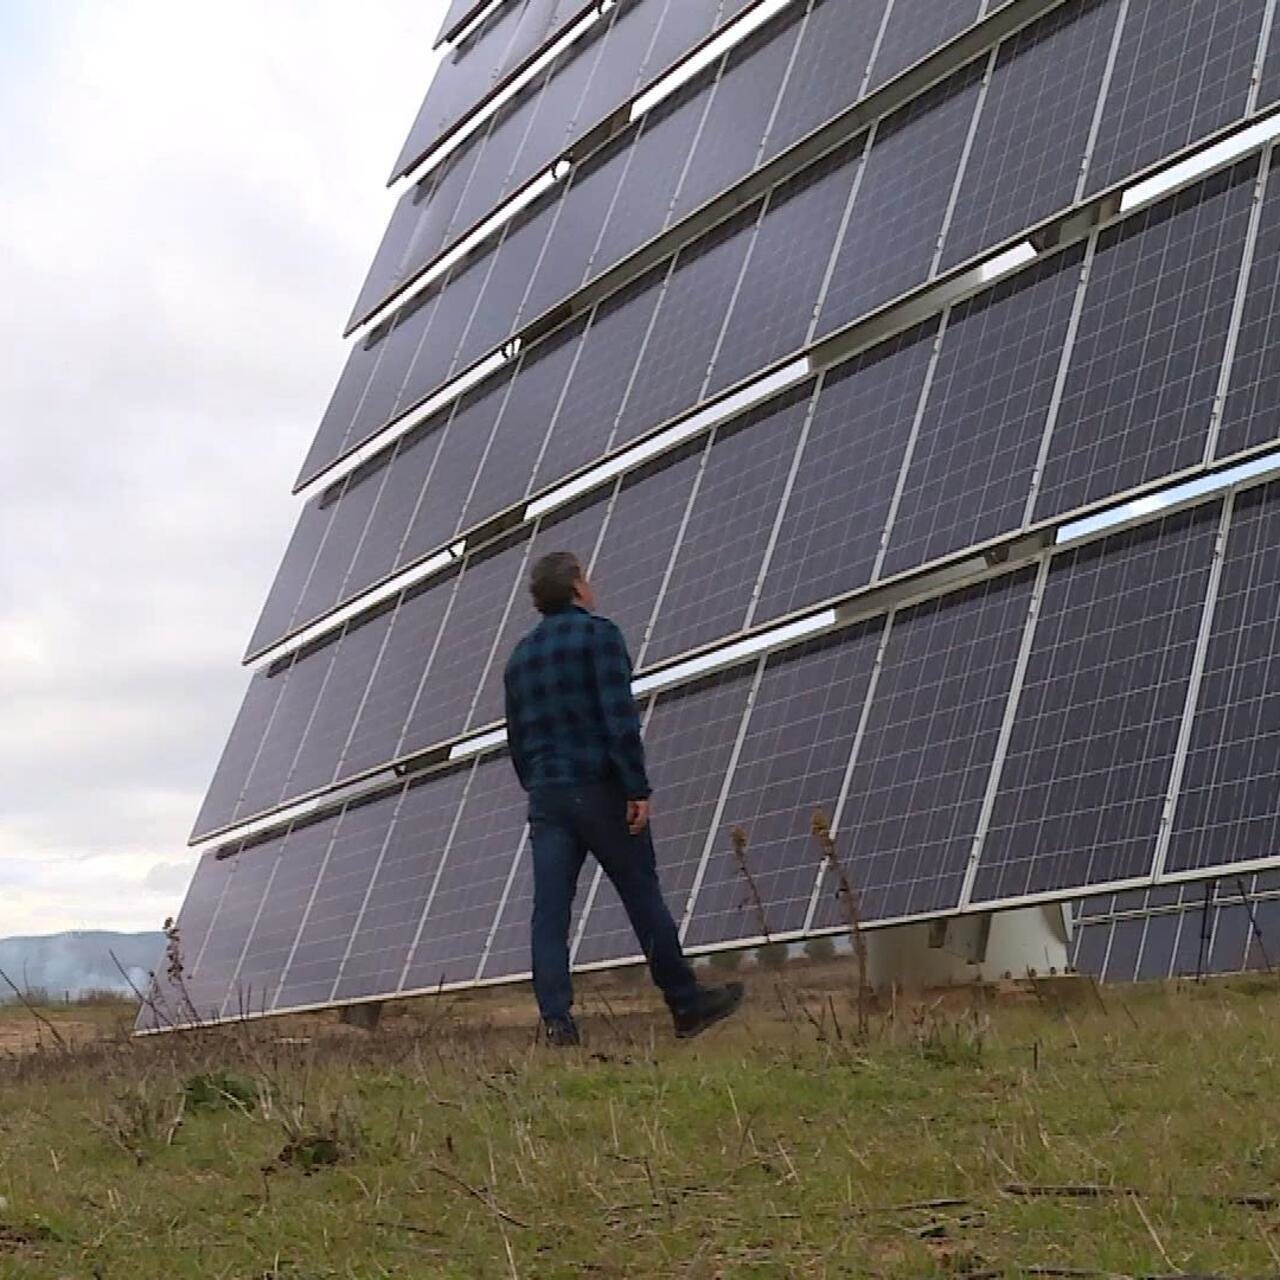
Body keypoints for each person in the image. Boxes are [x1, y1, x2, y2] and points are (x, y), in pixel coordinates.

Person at [503, 551, 744, 1045]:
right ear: (576, 586)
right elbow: (618, 718)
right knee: (640, 894)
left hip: (548, 796)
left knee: (549, 912)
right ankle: (686, 1003)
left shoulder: (519, 659)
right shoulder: (599, 635)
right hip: (600, 789)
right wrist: (636, 786)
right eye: (586, 577)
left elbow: (518, 738)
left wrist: (540, 785)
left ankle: (557, 1024)